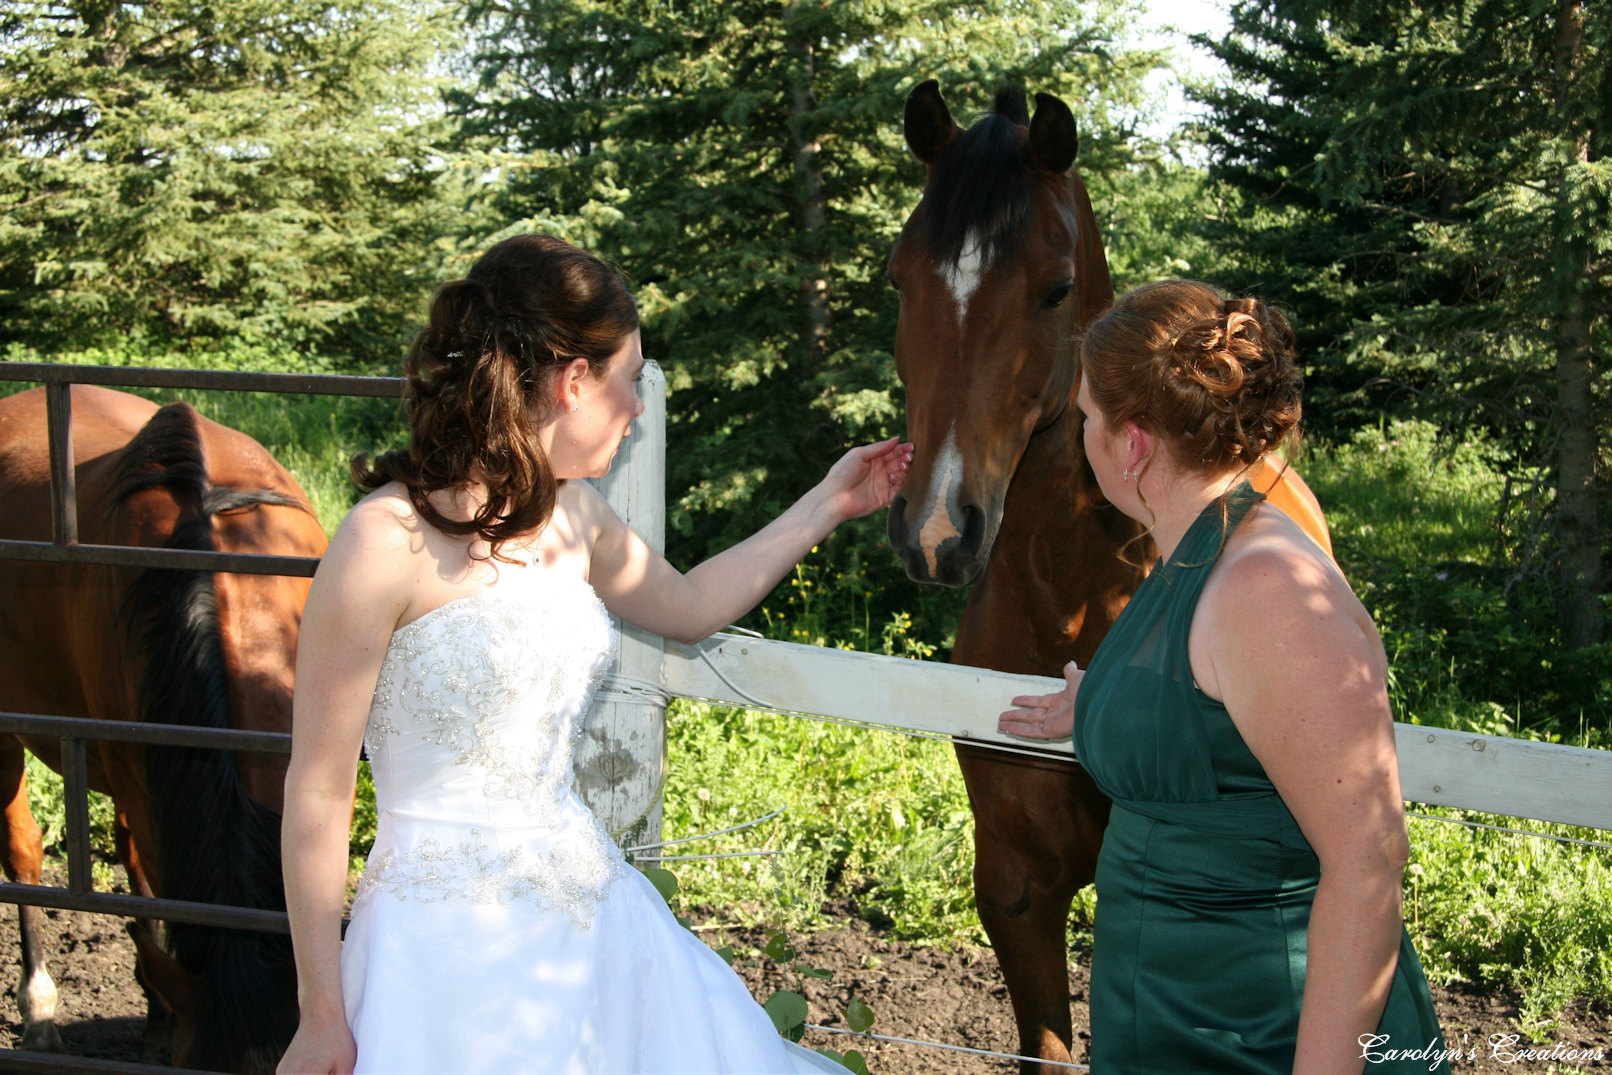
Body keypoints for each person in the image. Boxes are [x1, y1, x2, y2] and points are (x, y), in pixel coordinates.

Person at [277, 233, 912, 1075]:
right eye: (629, 382)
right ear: (574, 381)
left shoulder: (575, 515)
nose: (639, 408)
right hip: (440, 960)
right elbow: (317, 789)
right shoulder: (380, 542)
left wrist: (830, 502)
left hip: (594, 931)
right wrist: (322, 1011)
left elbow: (689, 606)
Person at [998, 281, 1450, 1074]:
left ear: (1133, 443)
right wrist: (1108, 705)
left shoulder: (1269, 589)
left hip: (1267, 1035)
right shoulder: (1190, 548)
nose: (1084, 437)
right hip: (1183, 1024)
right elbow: (1215, 710)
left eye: (1088, 420)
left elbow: (1368, 861)